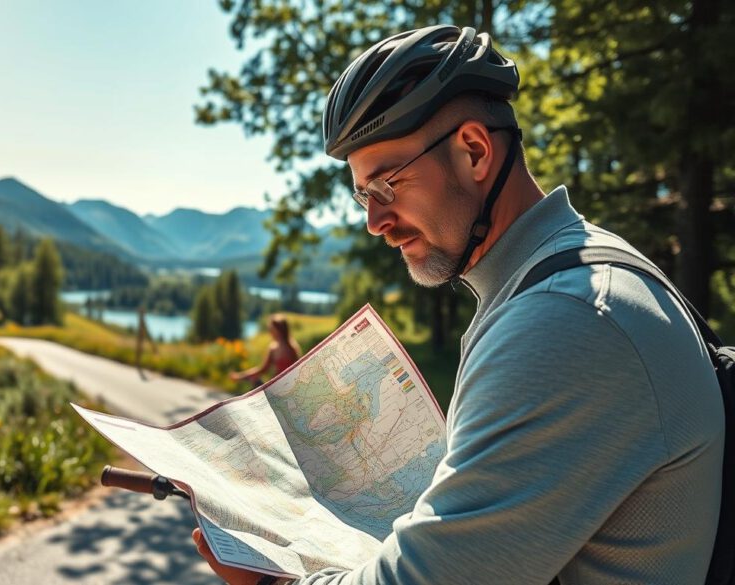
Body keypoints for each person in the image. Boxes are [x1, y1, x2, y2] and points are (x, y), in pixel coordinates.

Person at [192, 24, 724, 585]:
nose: (374, 221)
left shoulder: (565, 319)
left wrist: (277, 582)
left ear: (474, 151)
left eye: (387, 186)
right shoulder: (570, 275)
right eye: (363, 196)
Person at [229, 313, 302, 387]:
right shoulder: (292, 347)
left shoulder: (280, 348)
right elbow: (262, 370)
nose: (270, 332)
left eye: (271, 329)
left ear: (278, 330)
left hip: (281, 387)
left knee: (255, 380)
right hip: (282, 386)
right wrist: (240, 376)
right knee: (255, 380)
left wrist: (239, 376)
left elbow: (262, 370)